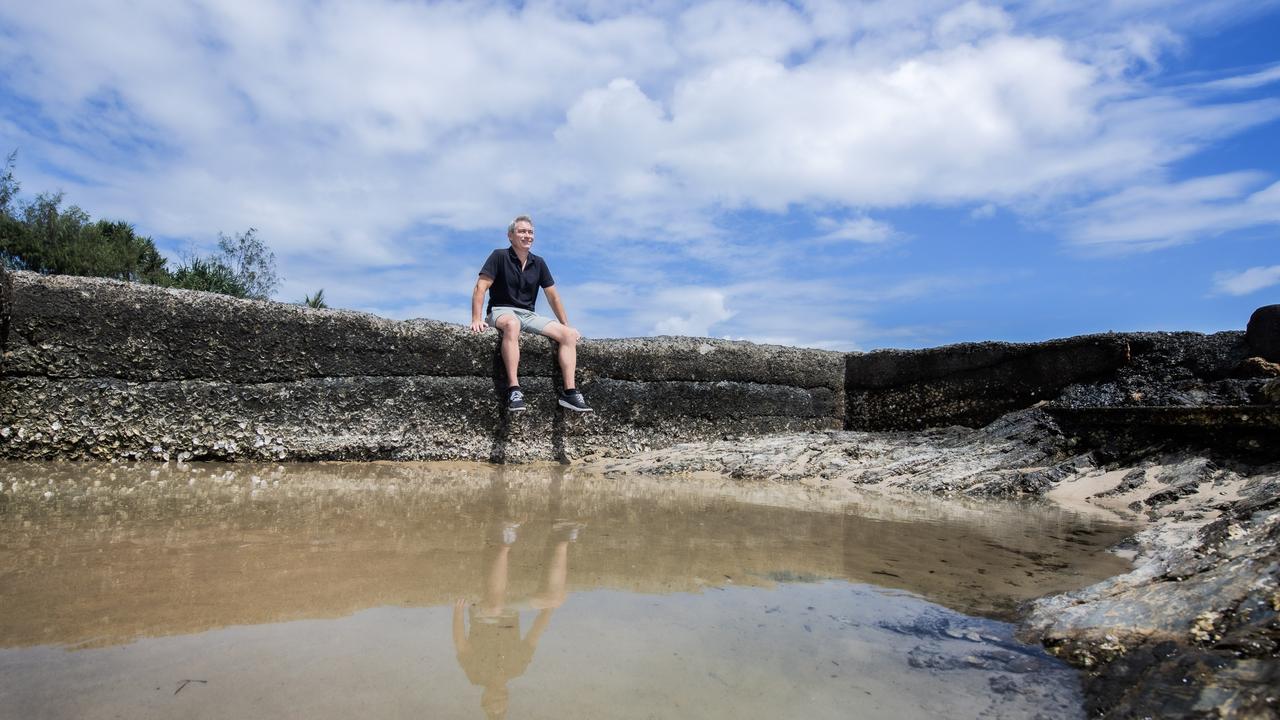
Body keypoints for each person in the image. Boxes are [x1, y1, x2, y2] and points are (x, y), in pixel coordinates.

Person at [470, 215, 592, 413]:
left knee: (568, 335)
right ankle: (514, 390)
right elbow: (480, 287)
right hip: (502, 311)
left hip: (529, 314)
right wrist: (476, 318)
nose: (527, 235)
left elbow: (553, 297)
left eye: (530, 232)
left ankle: (569, 393)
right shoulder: (499, 256)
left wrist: (566, 324)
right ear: (510, 236)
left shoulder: (539, 262)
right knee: (512, 325)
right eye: (521, 231)